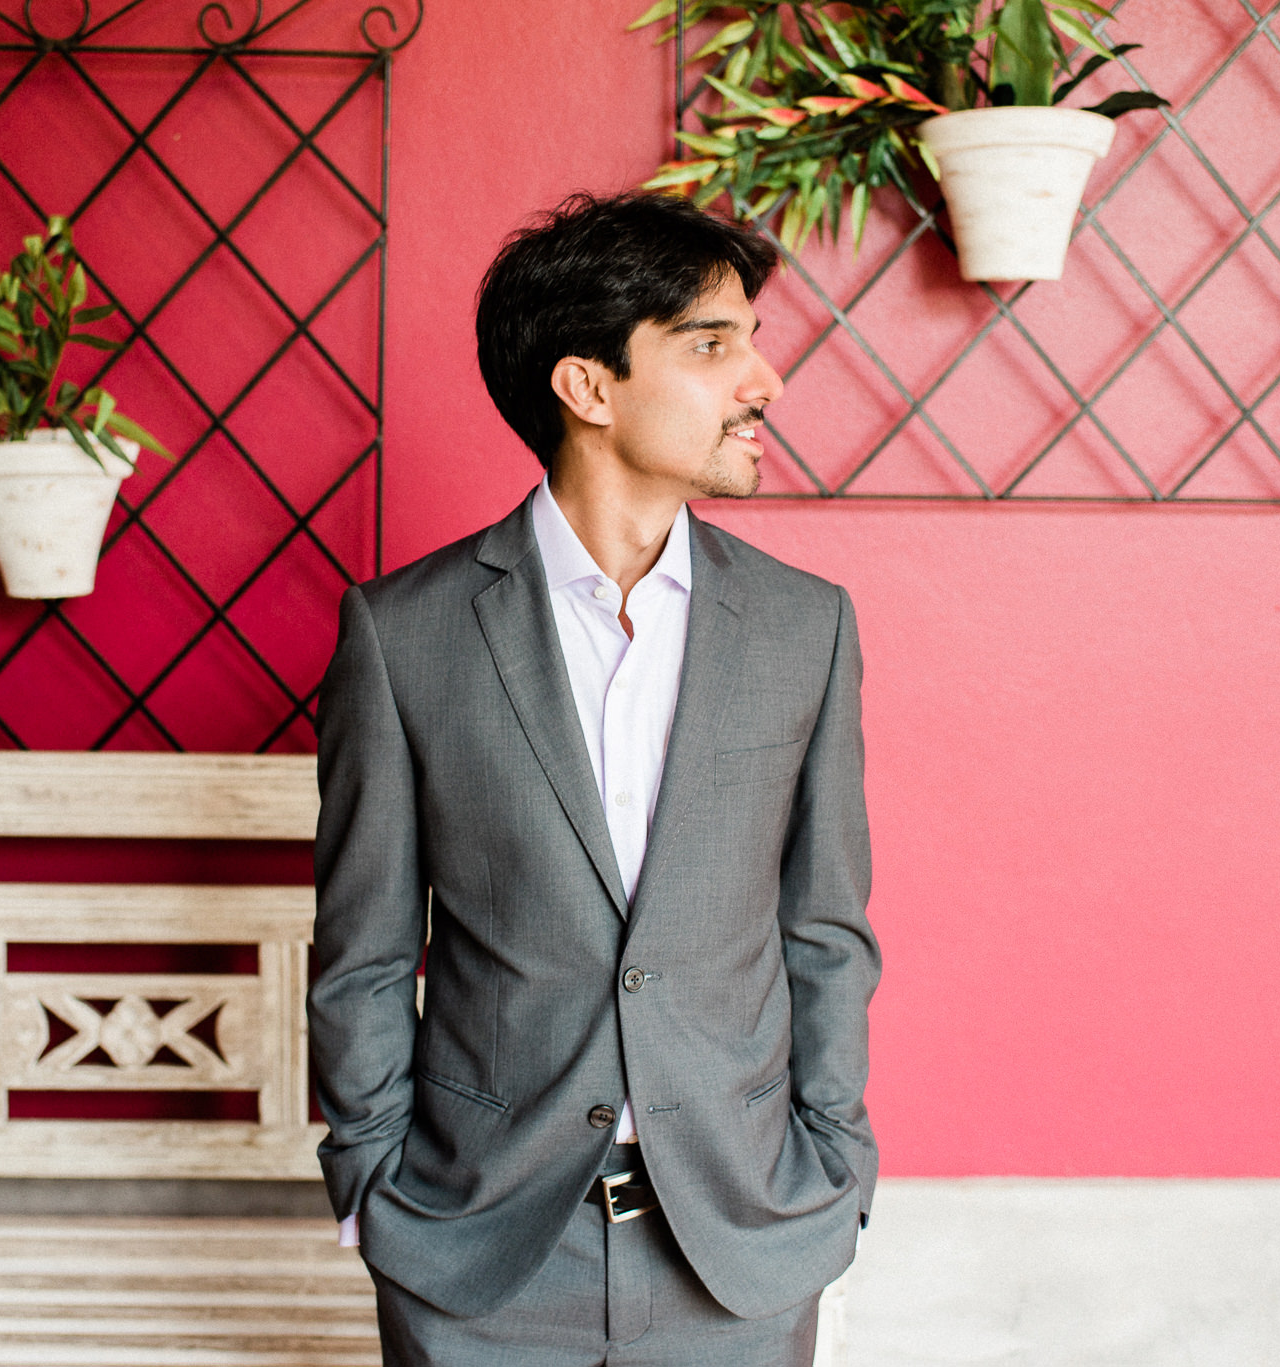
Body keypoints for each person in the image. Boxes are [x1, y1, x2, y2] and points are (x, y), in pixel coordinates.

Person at [309, 189, 880, 1366]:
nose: (761, 381)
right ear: (588, 386)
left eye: (751, 344)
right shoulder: (401, 634)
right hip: (477, 1250)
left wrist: (833, 1171)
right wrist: (373, 1184)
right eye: (712, 344)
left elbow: (822, 930)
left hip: (740, 1243)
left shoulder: (801, 627)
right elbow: (362, 948)